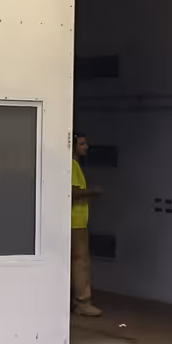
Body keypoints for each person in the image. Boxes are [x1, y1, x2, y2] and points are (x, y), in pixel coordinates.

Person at [71, 132, 102, 318]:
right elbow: (72, 193)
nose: (85, 147)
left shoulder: (73, 165)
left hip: (75, 222)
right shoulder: (72, 165)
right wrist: (92, 192)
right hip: (75, 223)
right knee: (81, 263)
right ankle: (83, 301)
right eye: (81, 144)